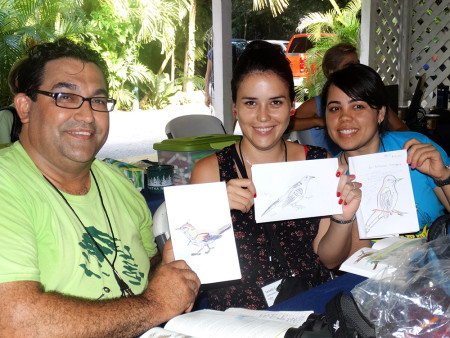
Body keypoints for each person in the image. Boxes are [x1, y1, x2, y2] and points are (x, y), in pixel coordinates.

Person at [0, 38, 200, 336]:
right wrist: (155, 304)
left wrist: (168, 266)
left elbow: (146, 265)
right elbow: (14, 322)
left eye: (98, 100)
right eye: (65, 97)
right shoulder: (7, 184)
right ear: (25, 108)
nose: (87, 115)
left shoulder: (118, 183)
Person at [190, 40, 362, 311]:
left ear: (292, 105)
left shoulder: (317, 163)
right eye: (250, 103)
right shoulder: (209, 171)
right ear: (235, 106)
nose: (263, 116)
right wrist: (210, 212)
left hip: (308, 306)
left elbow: (330, 260)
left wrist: (343, 218)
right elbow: (195, 269)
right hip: (237, 317)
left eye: (276, 102)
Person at [322, 63, 450, 251]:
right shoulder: (331, 175)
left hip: (433, 269)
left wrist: (443, 176)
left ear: (380, 113)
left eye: (358, 106)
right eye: (334, 108)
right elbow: (335, 261)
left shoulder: (415, 150)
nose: (344, 118)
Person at [288, 42, 408, 156]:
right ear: (331, 72)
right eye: (335, 109)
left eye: (358, 106)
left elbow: (401, 128)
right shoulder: (318, 103)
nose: (355, 69)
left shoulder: (370, 99)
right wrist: (318, 121)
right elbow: (287, 123)